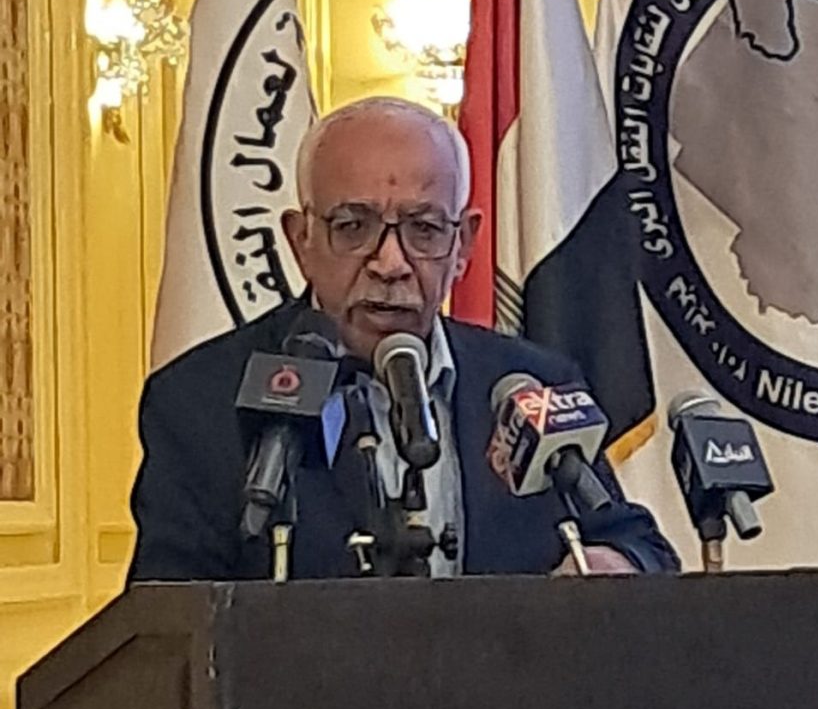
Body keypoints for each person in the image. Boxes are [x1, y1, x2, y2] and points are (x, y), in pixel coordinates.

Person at [127, 97, 678, 582]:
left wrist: (615, 562)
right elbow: (166, 618)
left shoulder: (532, 385)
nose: (390, 263)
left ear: (463, 246)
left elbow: (636, 542)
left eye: (424, 229)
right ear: (301, 240)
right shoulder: (201, 399)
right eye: (353, 226)